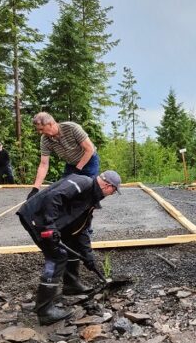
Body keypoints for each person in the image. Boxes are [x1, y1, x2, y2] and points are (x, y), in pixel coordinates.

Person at [16, 170, 122, 325]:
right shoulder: (83, 183)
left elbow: (81, 230)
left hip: (48, 222)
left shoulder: (91, 199)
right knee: (57, 257)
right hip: (36, 218)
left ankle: (71, 285)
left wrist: (88, 256)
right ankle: (44, 311)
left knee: (71, 242)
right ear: (107, 186)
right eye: (114, 190)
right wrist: (49, 226)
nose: (112, 194)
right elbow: (54, 197)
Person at [28, 112, 100, 199]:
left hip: (89, 161)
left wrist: (77, 169)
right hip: (71, 164)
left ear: (50, 124)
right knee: (63, 190)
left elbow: (90, 149)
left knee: (89, 190)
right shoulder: (44, 140)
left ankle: (89, 209)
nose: (40, 132)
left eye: (41, 129)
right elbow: (43, 164)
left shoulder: (72, 128)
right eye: (38, 130)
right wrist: (35, 189)